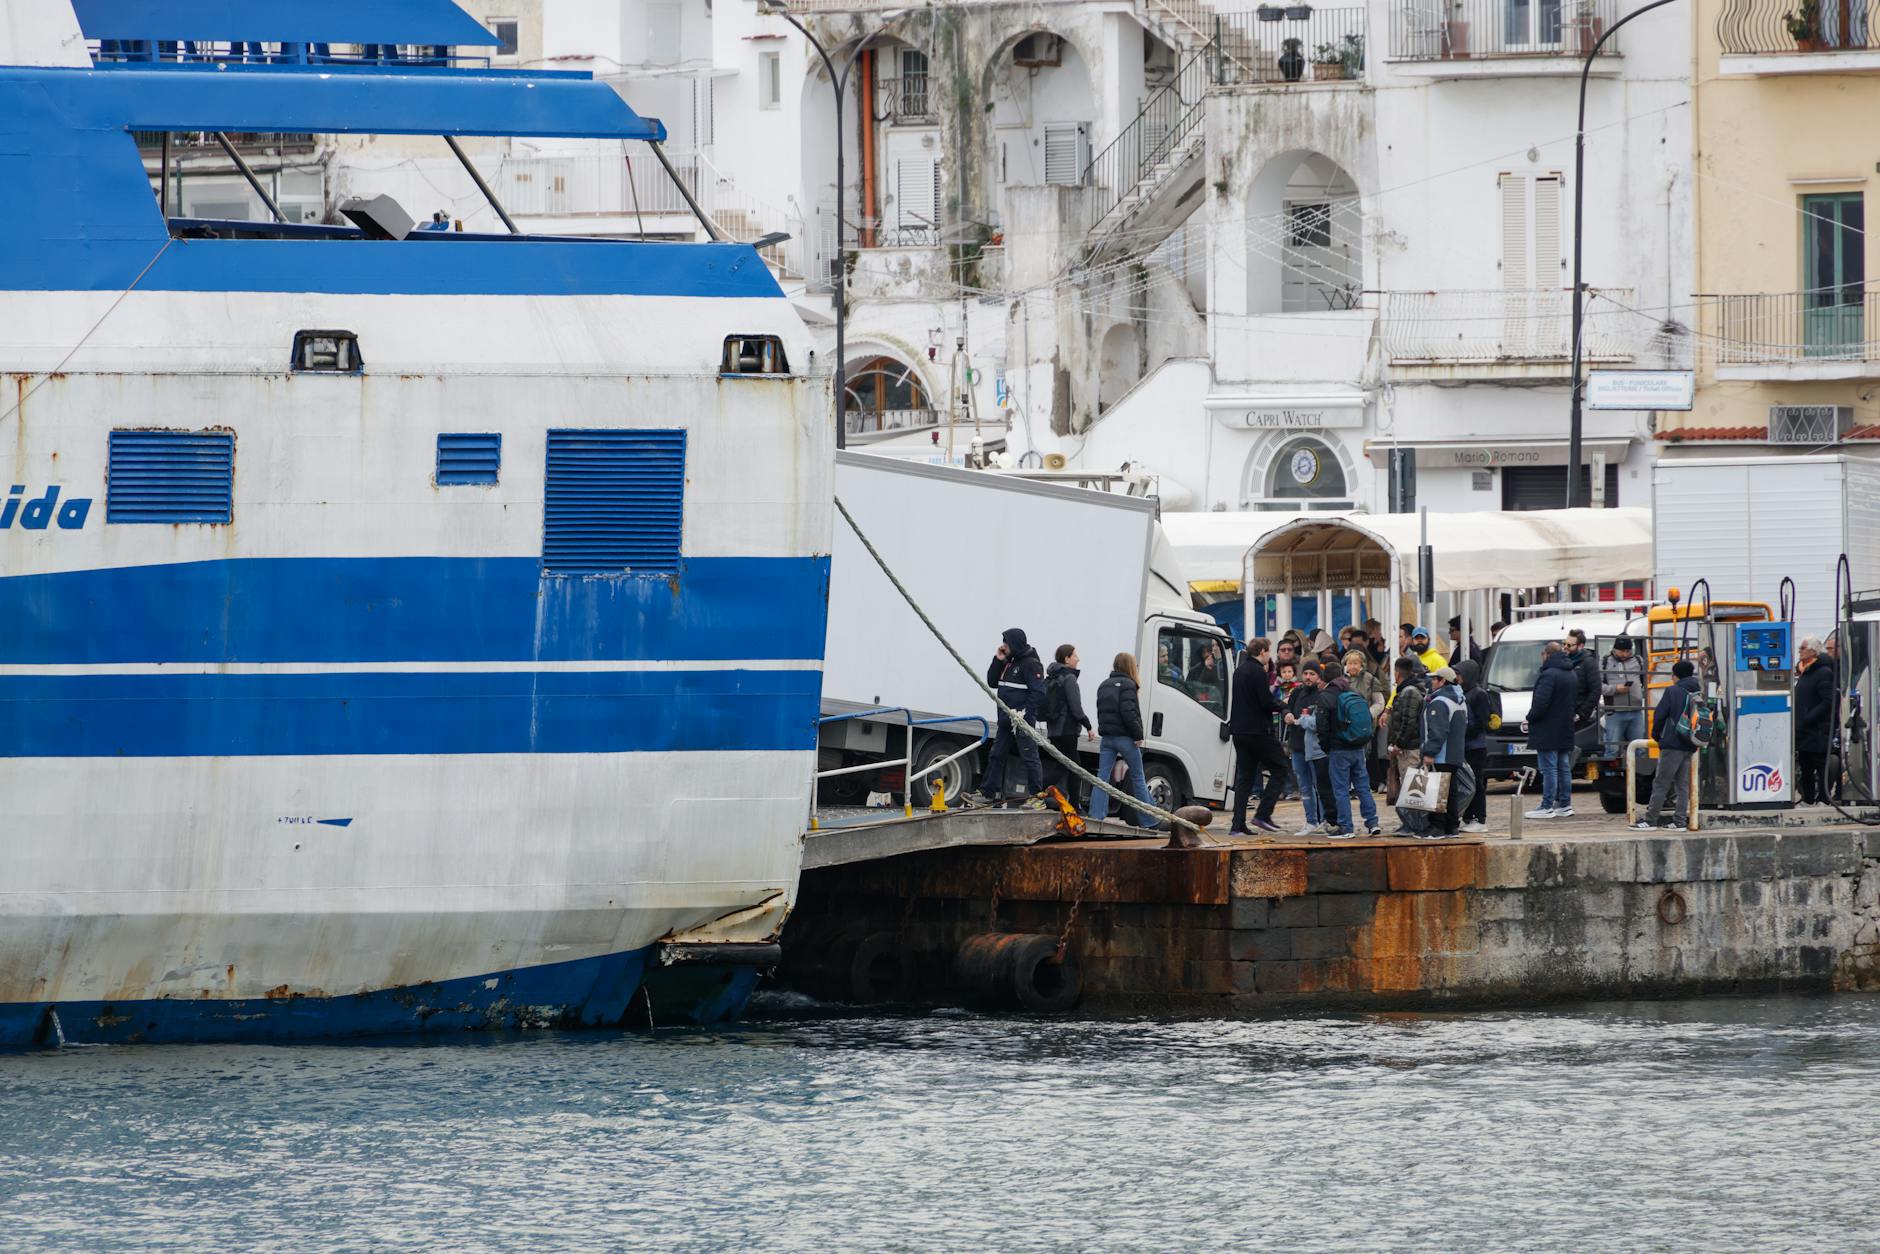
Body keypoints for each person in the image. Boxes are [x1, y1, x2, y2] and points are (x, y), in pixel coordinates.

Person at [968, 627, 1047, 808]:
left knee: (1029, 756)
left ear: (1015, 644)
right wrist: (998, 660)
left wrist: (1024, 713)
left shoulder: (1031, 664)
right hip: (1005, 720)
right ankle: (987, 793)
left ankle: (1037, 797)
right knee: (996, 755)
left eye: (1006, 642)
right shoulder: (1008, 663)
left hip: (1021, 720)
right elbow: (992, 681)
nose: (1003, 646)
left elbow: (1039, 693)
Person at [1089, 653, 1159, 829]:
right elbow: (1129, 713)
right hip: (1125, 739)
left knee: (1102, 778)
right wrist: (1138, 735)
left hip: (1107, 739)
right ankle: (1149, 820)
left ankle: (1096, 816)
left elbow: (1100, 711)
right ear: (1130, 666)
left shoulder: (1104, 685)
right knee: (1137, 777)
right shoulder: (1128, 685)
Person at [1228, 638, 1289, 835]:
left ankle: (1237, 825)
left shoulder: (1239, 670)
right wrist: (1283, 706)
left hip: (1239, 731)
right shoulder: (1258, 672)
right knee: (1280, 768)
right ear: (1262, 651)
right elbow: (1265, 702)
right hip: (1257, 731)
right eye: (1268, 651)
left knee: (1244, 778)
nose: (1269, 655)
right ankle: (1262, 815)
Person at [1321, 653, 1384, 837]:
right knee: (1363, 787)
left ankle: (1346, 827)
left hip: (1338, 749)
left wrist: (1326, 746)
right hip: (1358, 747)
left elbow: (1322, 725)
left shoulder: (1327, 696)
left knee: (1341, 789)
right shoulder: (1351, 691)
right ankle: (1372, 823)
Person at [1636, 659, 1701, 830]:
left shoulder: (1673, 691)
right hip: (1690, 743)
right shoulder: (1698, 690)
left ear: (1675, 675)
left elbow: (1660, 715)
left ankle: (1650, 820)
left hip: (1673, 743)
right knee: (1682, 785)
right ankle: (1680, 821)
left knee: (1661, 783)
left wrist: (1657, 735)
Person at [1526, 641, 1577, 818]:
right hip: (1565, 727)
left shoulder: (1548, 675)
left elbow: (1541, 703)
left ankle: (1546, 805)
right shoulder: (1570, 673)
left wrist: (1530, 717)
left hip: (1547, 728)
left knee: (1549, 769)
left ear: (1546, 654)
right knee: (1563, 767)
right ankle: (1564, 803)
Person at [1283, 661, 1334, 835]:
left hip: (1316, 749)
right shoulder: (1297, 692)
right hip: (1298, 746)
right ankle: (1310, 821)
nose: (1308, 677)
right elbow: (1286, 708)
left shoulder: (1322, 694)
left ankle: (1324, 820)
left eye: (1312, 674)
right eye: (1305, 674)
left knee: (1320, 786)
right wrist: (1287, 714)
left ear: (1319, 676)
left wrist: (1304, 721)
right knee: (1304, 788)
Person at [1419, 666, 1468, 837]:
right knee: (1450, 791)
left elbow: (1437, 731)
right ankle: (1451, 827)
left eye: (1435, 679)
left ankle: (1437, 828)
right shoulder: (1460, 700)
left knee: (1437, 792)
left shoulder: (1440, 702)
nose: (1431, 682)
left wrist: (1429, 752)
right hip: (1455, 754)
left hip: (1441, 754)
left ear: (1443, 681)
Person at [1043, 643, 1094, 804]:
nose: (1078, 659)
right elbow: (1076, 708)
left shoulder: (1053, 675)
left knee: (1062, 767)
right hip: (1067, 730)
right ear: (1067, 659)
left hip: (1054, 729)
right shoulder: (1069, 678)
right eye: (1075, 656)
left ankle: (1037, 791)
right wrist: (1089, 726)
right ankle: (1074, 805)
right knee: (1075, 768)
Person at [1387, 658, 1430, 836]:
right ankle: (1408, 823)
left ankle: (1413, 825)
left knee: (1411, 786)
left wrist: (1398, 744)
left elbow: (1408, 722)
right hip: (1408, 746)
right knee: (1409, 785)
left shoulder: (1409, 692)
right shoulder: (1408, 690)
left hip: (1409, 748)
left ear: (1397, 672)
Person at [1796, 635, 1838, 804]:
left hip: (1818, 730)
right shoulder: (1804, 671)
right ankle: (1807, 799)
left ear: (1813, 651)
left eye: (1803, 648)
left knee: (1821, 767)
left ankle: (1823, 798)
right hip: (1803, 730)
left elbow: (1828, 701)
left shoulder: (1823, 673)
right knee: (1805, 767)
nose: (1799, 651)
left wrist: (1809, 717)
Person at [1455, 658, 1493, 834]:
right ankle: (1468, 817)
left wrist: (1464, 729)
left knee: (1477, 783)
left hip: (1476, 747)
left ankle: (1480, 817)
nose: (1457, 677)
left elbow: (1482, 721)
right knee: (1467, 783)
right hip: (1465, 746)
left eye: (1459, 674)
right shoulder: (1463, 692)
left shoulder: (1478, 694)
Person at [1599, 635, 1647, 761]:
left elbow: (1647, 680)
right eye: (1622, 651)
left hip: (1636, 710)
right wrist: (1615, 689)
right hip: (1615, 712)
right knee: (1612, 749)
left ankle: (1638, 778)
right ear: (1615, 649)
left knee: (1640, 749)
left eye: (1628, 651)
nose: (1625, 654)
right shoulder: (1605, 662)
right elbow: (1598, 686)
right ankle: (1609, 778)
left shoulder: (1638, 660)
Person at [1564, 629, 1601, 731]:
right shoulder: (1564, 661)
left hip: (1579, 718)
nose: (1565, 647)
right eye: (1565, 643)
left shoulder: (1588, 662)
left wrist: (1582, 713)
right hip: (1564, 714)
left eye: (1569, 645)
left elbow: (1596, 690)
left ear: (1580, 646)